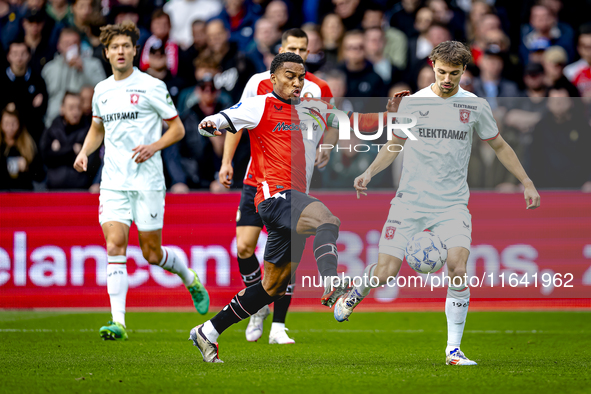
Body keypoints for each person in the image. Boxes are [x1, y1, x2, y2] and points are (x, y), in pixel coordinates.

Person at [334, 41, 541, 366]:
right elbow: (394, 145)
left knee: (458, 268)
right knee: (387, 273)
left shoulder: (475, 105)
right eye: (442, 71)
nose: (447, 78)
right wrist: (370, 172)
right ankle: (358, 290)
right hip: (410, 201)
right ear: (432, 65)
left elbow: (500, 146)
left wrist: (526, 182)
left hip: (452, 204)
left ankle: (453, 350)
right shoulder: (413, 104)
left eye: (454, 73)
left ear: (463, 71)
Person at [190, 52, 395, 362]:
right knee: (328, 218)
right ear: (273, 79)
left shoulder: (315, 108)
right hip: (273, 196)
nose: (297, 83)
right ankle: (331, 282)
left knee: (271, 286)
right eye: (289, 76)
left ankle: (208, 331)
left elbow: (354, 123)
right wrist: (211, 125)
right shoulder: (260, 104)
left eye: (301, 77)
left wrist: (389, 114)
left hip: (294, 202)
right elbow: (221, 121)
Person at [72, 21, 209, 341]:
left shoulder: (151, 86)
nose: (120, 51)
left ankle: (189, 278)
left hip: (147, 181)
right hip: (113, 181)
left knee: (151, 253)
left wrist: (153, 147)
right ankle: (118, 322)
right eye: (114, 47)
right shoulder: (101, 90)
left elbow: (177, 129)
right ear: (106, 53)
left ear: (134, 51)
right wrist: (85, 152)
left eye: (125, 46)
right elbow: (97, 128)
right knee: (114, 243)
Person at [218, 28, 333, 345]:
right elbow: (237, 120)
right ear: (280, 50)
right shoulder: (258, 83)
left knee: (288, 256)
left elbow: (333, 123)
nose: (298, 53)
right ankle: (257, 306)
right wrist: (227, 162)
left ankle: (279, 325)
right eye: (292, 48)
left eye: (304, 49)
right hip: (257, 180)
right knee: (244, 247)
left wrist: (325, 145)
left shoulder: (319, 88)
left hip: (294, 183)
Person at [41, 28, 105, 128]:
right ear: (59, 46)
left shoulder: (93, 65)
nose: (70, 47)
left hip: (82, 122)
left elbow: (103, 92)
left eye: (74, 43)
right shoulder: (49, 69)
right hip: (53, 121)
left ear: (80, 45)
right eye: (66, 43)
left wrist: (83, 70)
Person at [40, 91, 99, 189]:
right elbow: (46, 158)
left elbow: (91, 164)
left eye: (79, 108)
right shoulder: (52, 130)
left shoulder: (89, 132)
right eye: (71, 108)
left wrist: (59, 151)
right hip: (53, 191)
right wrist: (72, 149)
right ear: (62, 109)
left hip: (81, 190)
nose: (75, 112)